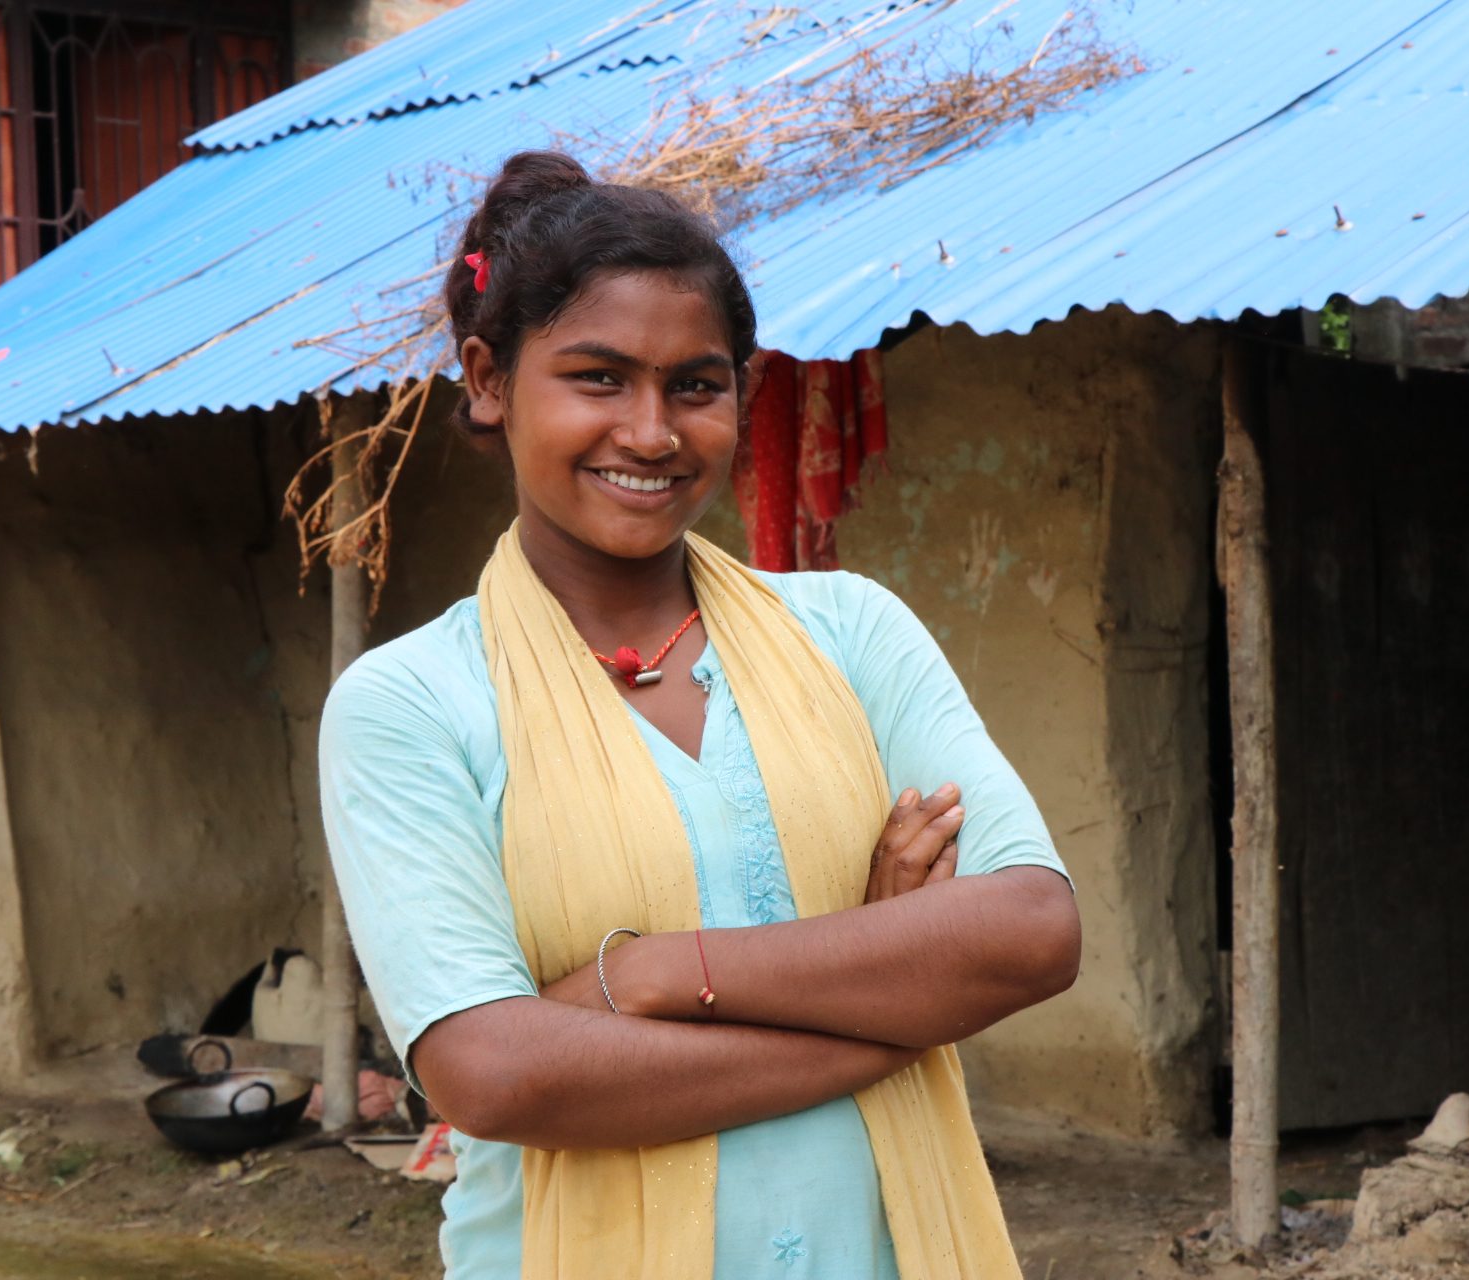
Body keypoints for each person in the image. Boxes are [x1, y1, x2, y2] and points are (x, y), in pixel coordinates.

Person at [319, 150, 1081, 1280]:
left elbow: (1030, 929)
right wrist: (888, 982)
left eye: (695, 384)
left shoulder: (850, 634)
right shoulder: (413, 703)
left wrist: (654, 976)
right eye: (597, 377)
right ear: (487, 379)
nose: (652, 430)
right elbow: (493, 1074)